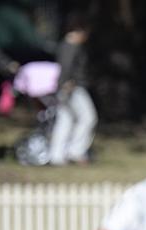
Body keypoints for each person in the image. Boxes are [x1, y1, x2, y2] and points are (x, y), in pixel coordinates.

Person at [48, 13, 98, 165]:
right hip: (72, 87)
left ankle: (56, 156)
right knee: (88, 117)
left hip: (65, 87)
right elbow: (66, 67)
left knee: (65, 120)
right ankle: (75, 151)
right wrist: (65, 84)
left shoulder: (64, 45)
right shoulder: (71, 46)